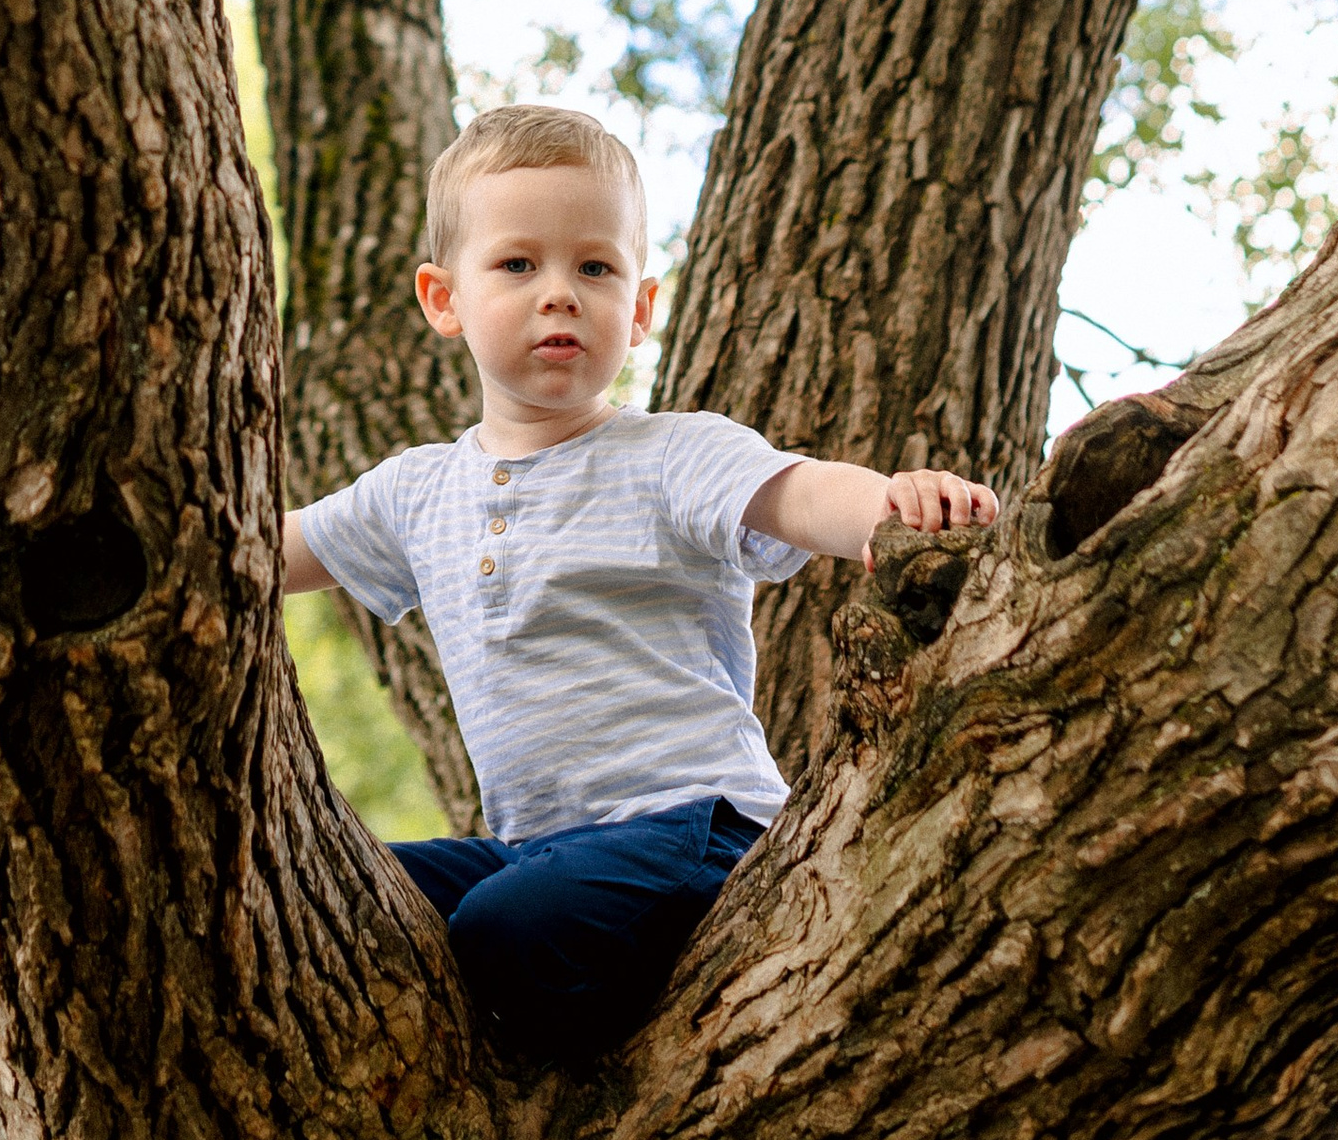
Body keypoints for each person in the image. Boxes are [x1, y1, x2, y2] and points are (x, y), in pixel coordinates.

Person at [282, 100, 997, 1066]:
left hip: (695, 830)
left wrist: (892, 508)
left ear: (642, 306)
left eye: (595, 267)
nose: (560, 293)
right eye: (517, 264)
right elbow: (270, 552)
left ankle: (581, 1070)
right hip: (536, 850)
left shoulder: (669, 456)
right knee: (329, 895)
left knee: (506, 931)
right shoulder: (418, 489)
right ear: (442, 299)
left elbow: (797, 493)